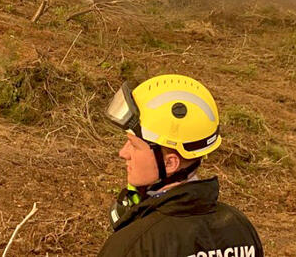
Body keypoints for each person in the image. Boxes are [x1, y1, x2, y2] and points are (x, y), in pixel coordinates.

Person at [99, 74, 264, 257]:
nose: (123, 153)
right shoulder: (241, 229)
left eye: (134, 145)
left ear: (170, 163)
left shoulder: (132, 246)